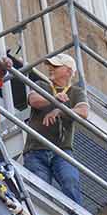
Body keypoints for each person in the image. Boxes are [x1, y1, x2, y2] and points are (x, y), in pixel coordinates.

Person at [15, 54, 89, 203]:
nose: (50, 69)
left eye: (55, 67)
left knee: (70, 182)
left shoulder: (76, 92)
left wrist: (60, 110)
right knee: (40, 193)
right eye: (50, 66)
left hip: (62, 150)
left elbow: (84, 112)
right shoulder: (42, 85)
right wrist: (55, 100)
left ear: (68, 71)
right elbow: (33, 100)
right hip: (35, 150)